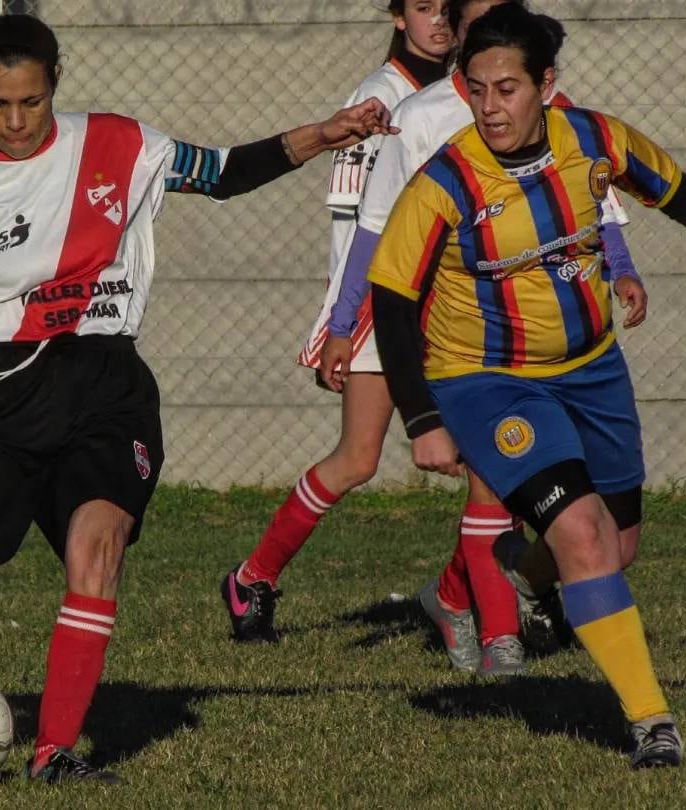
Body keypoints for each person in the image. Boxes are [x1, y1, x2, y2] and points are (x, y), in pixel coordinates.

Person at [0, 3, 395, 785]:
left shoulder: (120, 143)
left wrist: (319, 135)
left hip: (106, 388)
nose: (16, 120)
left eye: (33, 101)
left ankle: (55, 754)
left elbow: (220, 173)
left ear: (56, 86)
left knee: (97, 548)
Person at [368, 3, 686, 768]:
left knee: (620, 543)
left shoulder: (597, 141)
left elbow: (685, 193)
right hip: (487, 381)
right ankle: (651, 723)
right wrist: (421, 420)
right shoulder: (445, 181)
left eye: (506, 88)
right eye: (475, 88)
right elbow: (390, 297)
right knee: (584, 536)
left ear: (548, 84)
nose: (488, 106)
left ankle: (509, 573)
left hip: (593, 369)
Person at [321, 0, 650, 667]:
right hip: (460, 339)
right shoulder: (417, 120)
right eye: (473, 17)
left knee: (548, 510)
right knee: (460, 477)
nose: (494, 102)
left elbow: (593, 193)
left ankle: (463, 596)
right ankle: (502, 635)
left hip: (541, 338)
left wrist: (620, 267)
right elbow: (377, 229)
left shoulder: (549, 112)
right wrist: (341, 320)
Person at [217, 0, 539, 675]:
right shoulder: (384, 102)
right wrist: (344, 320)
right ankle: (254, 577)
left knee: (492, 464)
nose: (445, 24)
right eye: (428, 8)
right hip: (380, 307)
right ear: (399, 16)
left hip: (452, 308)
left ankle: (479, 607)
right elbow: (358, 224)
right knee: (358, 459)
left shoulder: (493, 98)